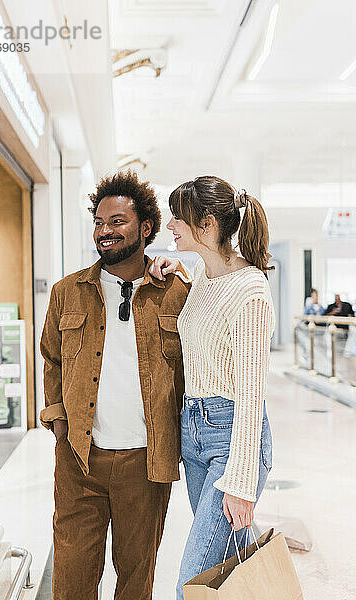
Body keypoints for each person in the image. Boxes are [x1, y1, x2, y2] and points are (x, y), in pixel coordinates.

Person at [39, 171, 191, 600]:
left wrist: (183, 269)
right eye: (100, 222)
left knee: (135, 581)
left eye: (117, 222)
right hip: (79, 461)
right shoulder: (68, 293)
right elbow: (51, 357)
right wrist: (59, 421)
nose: (105, 231)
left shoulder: (175, 292)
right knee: (71, 580)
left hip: (146, 464)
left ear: (146, 228)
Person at [149, 177, 275, 600]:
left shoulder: (251, 290)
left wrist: (241, 482)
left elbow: (252, 393)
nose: (170, 225)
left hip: (230, 437)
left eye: (177, 218)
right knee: (225, 563)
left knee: (193, 579)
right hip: (194, 432)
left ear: (205, 225)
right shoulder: (206, 273)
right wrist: (176, 269)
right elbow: (205, 320)